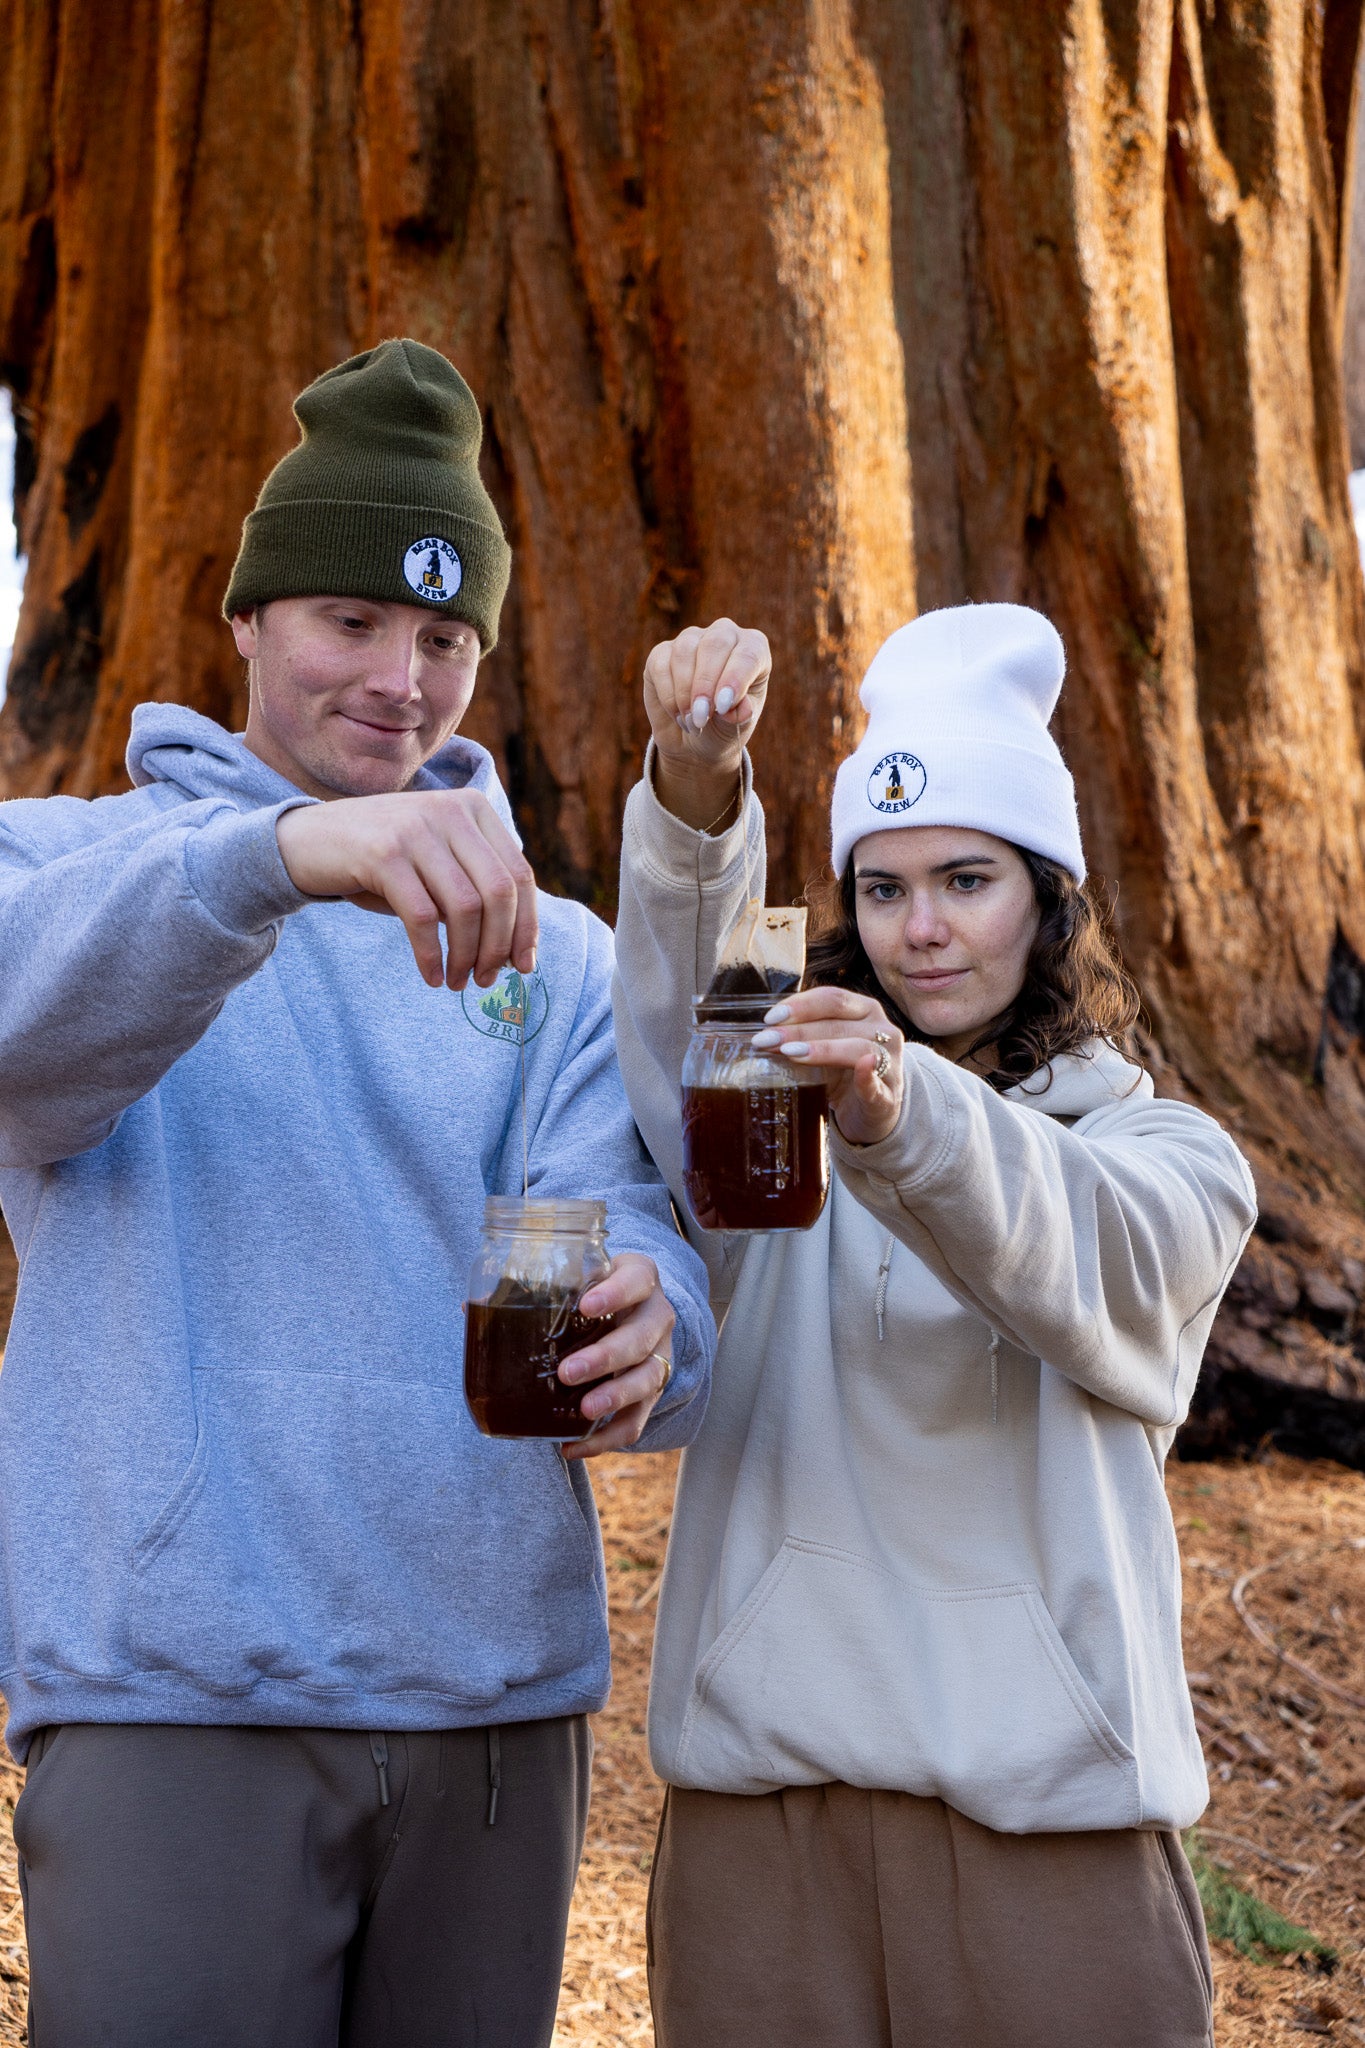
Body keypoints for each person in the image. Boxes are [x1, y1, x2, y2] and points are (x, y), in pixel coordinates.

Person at [0, 337, 714, 2048]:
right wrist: (278, 863)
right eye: (350, 621)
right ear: (244, 620)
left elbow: (630, 1219)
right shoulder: (66, 866)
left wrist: (650, 1321)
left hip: (488, 1713)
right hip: (174, 1697)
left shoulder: (558, 960)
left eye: (446, 636)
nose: (402, 680)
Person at [613, 603, 1256, 2048]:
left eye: (965, 879)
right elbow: (670, 1031)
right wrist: (693, 795)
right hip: (761, 1827)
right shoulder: (766, 1144)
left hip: (1054, 1834)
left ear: (1047, 896)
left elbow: (1070, 1251)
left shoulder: (1172, 1159)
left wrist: (902, 1116)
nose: (921, 928)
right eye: (885, 886)